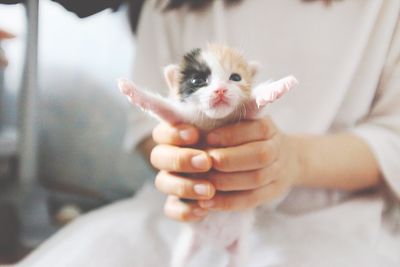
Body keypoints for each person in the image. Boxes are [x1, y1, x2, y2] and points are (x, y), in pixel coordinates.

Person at [16, 0, 400, 266]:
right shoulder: (170, 5)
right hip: (180, 214)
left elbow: (393, 135)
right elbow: (149, 127)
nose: (219, 89)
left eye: (233, 78)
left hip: (337, 220)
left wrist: (292, 160)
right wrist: (183, 158)